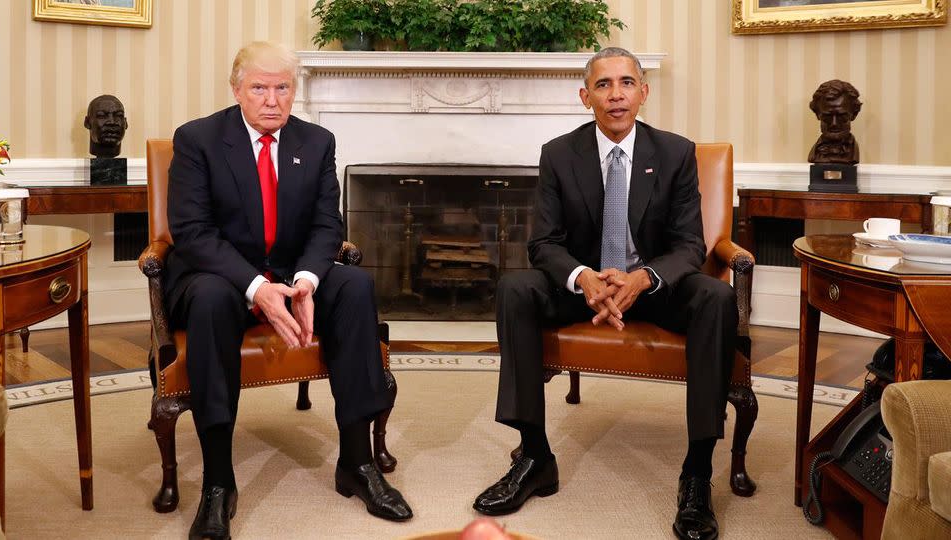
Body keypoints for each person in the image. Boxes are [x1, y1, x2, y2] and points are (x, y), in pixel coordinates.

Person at [472, 47, 736, 540]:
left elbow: (689, 245)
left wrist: (641, 279)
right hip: (583, 285)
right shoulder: (559, 153)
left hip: (654, 286)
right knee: (515, 288)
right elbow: (543, 243)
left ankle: (697, 473)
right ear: (584, 95)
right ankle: (535, 456)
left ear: (643, 92)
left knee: (716, 298)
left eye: (627, 83)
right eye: (603, 85)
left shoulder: (676, 152)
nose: (616, 95)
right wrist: (584, 278)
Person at [165, 41, 412, 540]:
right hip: (219, 275)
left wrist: (305, 282)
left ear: (294, 91)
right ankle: (218, 483)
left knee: (356, 286)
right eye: (259, 87)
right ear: (237, 89)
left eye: (282, 87)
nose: (272, 99)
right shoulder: (197, 139)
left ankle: (357, 463)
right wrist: (257, 288)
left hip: (291, 271)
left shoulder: (316, 141)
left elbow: (327, 224)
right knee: (213, 299)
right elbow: (192, 231)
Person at [807, 79, 862, 165]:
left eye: (841, 116)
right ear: (817, 114)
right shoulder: (815, 154)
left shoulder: (852, 152)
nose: (834, 123)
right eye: (827, 116)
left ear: (854, 114)